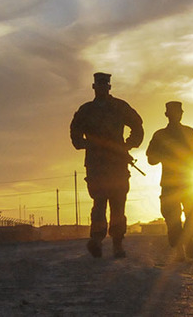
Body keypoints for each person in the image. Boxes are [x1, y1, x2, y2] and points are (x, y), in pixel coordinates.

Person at [70, 72, 144, 258]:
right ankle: (97, 239)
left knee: (118, 205)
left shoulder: (119, 107)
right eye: (99, 85)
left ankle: (117, 244)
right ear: (94, 87)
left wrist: (129, 144)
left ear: (109, 87)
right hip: (96, 165)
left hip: (117, 164)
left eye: (105, 85)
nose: (102, 88)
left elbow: (137, 125)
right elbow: (75, 133)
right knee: (99, 203)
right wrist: (85, 144)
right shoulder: (86, 110)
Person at [146, 101, 193, 261]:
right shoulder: (160, 135)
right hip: (170, 183)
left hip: (189, 181)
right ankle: (180, 249)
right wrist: (164, 154)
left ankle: (185, 239)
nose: (176, 115)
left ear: (181, 114)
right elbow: (151, 159)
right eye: (172, 112)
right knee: (172, 219)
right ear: (167, 115)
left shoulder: (189, 132)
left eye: (178, 112)